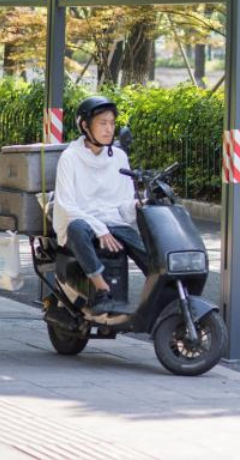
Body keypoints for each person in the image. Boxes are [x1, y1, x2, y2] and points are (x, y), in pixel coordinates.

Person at [53, 96, 146, 315]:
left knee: (149, 251)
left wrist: (141, 206)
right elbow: (66, 204)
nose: (108, 129)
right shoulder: (70, 157)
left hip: (113, 222)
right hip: (82, 224)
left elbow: (124, 204)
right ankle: (101, 289)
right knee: (76, 228)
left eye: (112, 123)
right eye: (102, 123)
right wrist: (99, 228)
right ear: (85, 126)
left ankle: (168, 294)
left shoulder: (119, 157)